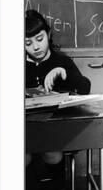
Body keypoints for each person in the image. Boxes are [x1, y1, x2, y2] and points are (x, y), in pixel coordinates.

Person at [25, 9, 90, 172]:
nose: (35, 47)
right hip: (25, 128)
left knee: (53, 154)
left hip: (55, 128)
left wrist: (63, 73)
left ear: (48, 34)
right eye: (28, 43)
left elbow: (85, 87)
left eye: (40, 39)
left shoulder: (61, 61)